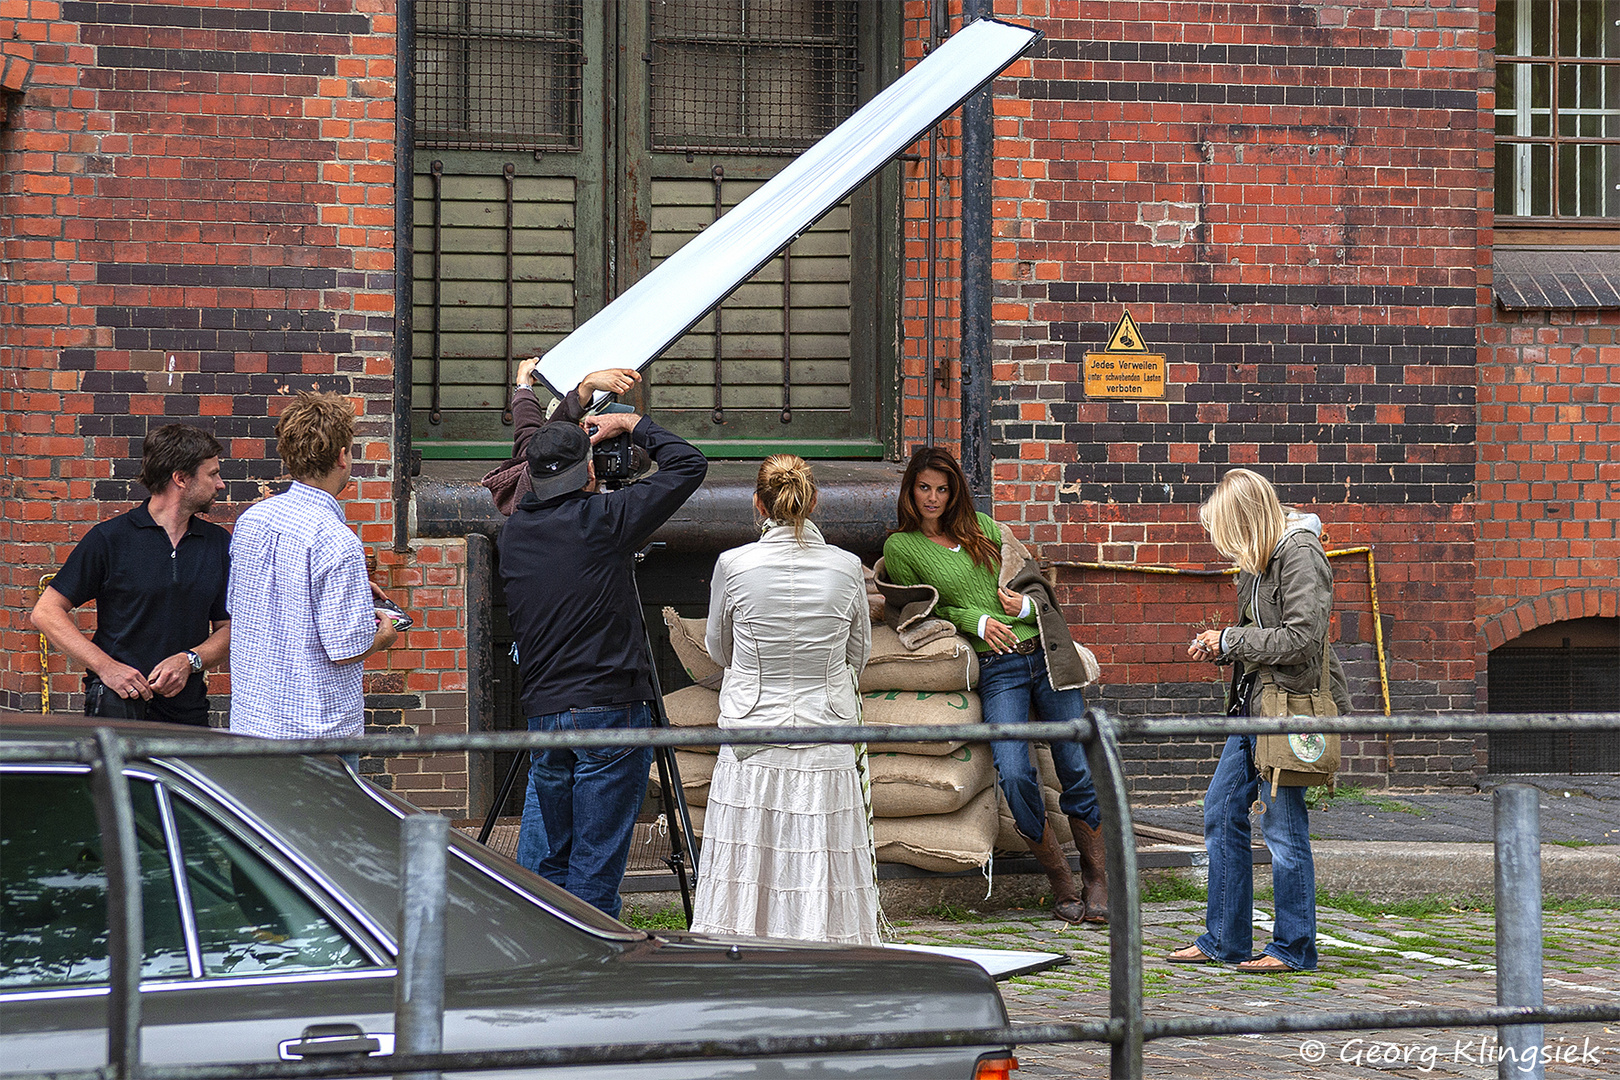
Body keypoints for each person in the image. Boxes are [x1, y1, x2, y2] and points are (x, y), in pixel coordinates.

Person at [880, 447, 1107, 924]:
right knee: (1015, 771)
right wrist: (976, 620)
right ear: (910, 491)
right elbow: (921, 609)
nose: (933, 498)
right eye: (924, 488)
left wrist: (1023, 609)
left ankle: (1096, 878)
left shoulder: (984, 526)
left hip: (1043, 655)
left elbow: (1032, 584)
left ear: (955, 490)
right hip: (997, 667)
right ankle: (1060, 880)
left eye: (943, 489)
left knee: (1075, 766)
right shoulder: (901, 548)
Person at [498, 404, 707, 917]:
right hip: (609, 709)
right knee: (595, 861)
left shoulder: (514, 534)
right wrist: (632, 425)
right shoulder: (603, 521)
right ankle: (591, 973)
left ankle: (544, 959)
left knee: (551, 860)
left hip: (545, 715)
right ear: (590, 470)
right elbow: (688, 465)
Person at [1168, 468, 1350, 973]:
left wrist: (1230, 640)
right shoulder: (1259, 560)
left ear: (1245, 522)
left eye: (1226, 532)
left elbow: (1301, 640)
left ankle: (1294, 948)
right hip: (1256, 707)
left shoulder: (1299, 555)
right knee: (1220, 809)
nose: (1223, 545)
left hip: (1292, 709)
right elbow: (1258, 636)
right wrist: (1223, 647)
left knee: (1283, 828)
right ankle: (1224, 939)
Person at [690, 455, 878, 944]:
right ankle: (827, 954)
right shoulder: (846, 566)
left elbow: (718, 648)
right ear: (813, 503)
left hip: (753, 730)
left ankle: (743, 954)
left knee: (750, 852)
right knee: (823, 851)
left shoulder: (732, 564)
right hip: (825, 729)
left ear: (757, 504)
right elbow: (859, 655)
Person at [227, 393, 399, 760]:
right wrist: (383, 636)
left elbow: (251, 603)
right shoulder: (337, 540)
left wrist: (351, 588)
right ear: (341, 456)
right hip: (317, 733)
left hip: (252, 725)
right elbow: (345, 649)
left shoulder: (251, 522)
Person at [32, 424, 231, 726]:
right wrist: (106, 666)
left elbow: (232, 628)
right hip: (117, 711)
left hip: (187, 714)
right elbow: (46, 612)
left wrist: (189, 661)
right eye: (212, 473)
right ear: (181, 478)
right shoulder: (111, 539)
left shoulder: (217, 544)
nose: (220, 484)